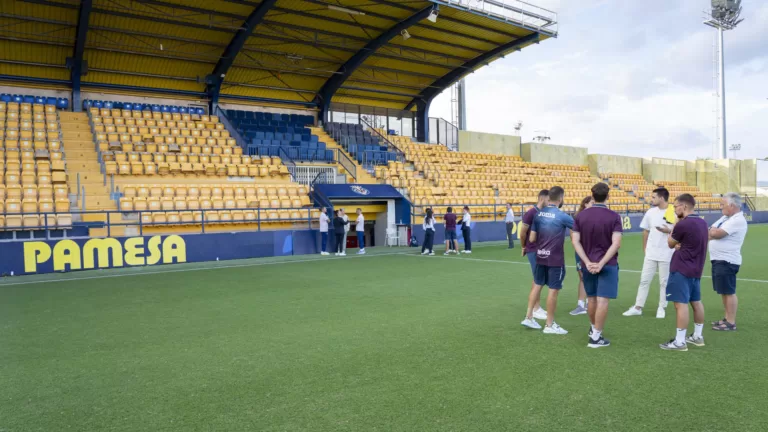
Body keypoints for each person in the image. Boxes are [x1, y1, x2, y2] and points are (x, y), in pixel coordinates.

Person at [572, 183, 623, 348]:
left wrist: (587, 262)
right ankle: (596, 337)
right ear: (608, 196)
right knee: (602, 300)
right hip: (608, 264)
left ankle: (594, 330)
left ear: (592, 196)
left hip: (588, 264)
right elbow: (616, 244)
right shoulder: (614, 216)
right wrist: (601, 263)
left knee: (592, 299)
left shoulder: (580, 216)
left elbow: (575, 241)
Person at [657, 194, 708, 351]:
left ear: (684, 207)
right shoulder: (703, 223)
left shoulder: (683, 224)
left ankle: (680, 342)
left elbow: (670, 243)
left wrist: (676, 226)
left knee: (680, 305)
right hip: (696, 269)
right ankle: (697, 336)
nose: (674, 208)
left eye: (675, 205)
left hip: (681, 268)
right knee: (696, 302)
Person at [522, 186, 573, 334]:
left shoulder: (538, 215)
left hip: (540, 256)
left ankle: (529, 317)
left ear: (548, 198)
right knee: (553, 290)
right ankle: (549, 325)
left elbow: (531, 238)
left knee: (537, 285)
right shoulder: (562, 216)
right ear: (561, 198)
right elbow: (579, 228)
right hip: (555, 259)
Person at [623, 187, 674, 318]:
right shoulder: (650, 212)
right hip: (651, 253)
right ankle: (638, 307)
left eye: (653, 197)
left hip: (667, 253)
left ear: (661, 198)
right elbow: (645, 231)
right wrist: (645, 248)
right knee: (644, 280)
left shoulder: (673, 211)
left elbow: (680, 232)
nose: (651, 199)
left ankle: (661, 307)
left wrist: (668, 231)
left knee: (664, 282)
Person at [708, 192, 747, 332]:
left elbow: (716, 233)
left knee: (729, 291)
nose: (720, 207)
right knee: (723, 291)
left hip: (727, 260)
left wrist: (713, 232)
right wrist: (712, 232)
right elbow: (710, 232)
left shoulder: (737, 220)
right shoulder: (725, 217)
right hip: (719, 260)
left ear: (731, 205)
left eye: (722, 204)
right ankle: (726, 318)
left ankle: (731, 322)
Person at [519, 190, 549, 320]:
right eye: (549, 199)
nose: (550, 202)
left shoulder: (545, 213)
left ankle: (537, 306)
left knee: (539, 278)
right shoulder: (531, 213)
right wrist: (523, 247)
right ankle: (535, 308)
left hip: (542, 249)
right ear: (542, 199)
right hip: (533, 249)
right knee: (538, 279)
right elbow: (522, 233)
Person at [569, 196, 593, 316]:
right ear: (585, 204)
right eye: (591, 203)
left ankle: (589, 303)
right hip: (580, 252)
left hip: (592, 252)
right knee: (582, 277)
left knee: (589, 276)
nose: (593, 205)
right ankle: (581, 305)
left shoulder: (595, 217)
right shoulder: (577, 217)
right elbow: (572, 234)